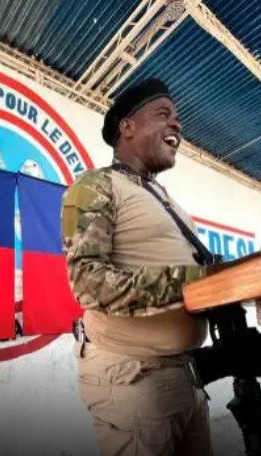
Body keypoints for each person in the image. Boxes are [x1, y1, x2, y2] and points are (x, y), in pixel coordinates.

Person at [60, 78, 213, 456]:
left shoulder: (166, 199)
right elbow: (88, 284)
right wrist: (199, 282)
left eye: (177, 117)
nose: (177, 123)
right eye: (163, 114)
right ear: (127, 127)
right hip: (134, 381)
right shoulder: (95, 185)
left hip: (186, 377)